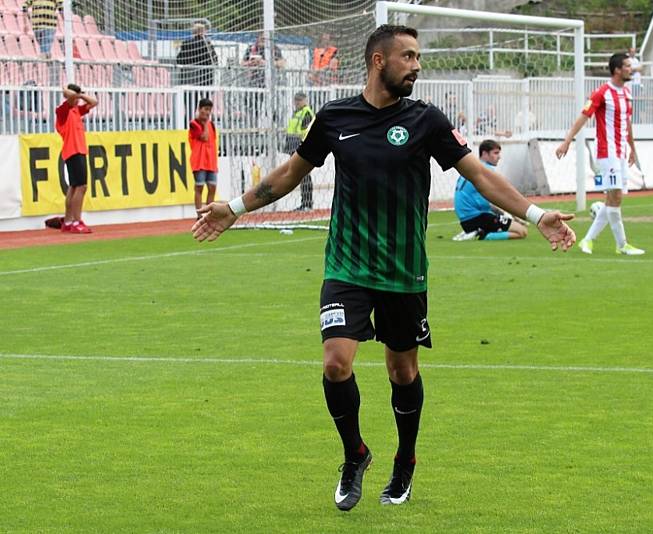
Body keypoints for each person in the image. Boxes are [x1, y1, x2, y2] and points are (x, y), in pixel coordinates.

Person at [192, 24, 575, 512]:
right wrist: (235, 207)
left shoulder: (427, 121)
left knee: (402, 371)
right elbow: (290, 174)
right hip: (347, 265)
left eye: (418, 57)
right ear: (379, 61)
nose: (417, 65)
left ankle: (405, 460)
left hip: (403, 270)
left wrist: (538, 216)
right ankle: (355, 455)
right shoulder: (334, 118)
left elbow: (478, 174)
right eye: (409, 56)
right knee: (335, 362)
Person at [556, 53, 645, 256]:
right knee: (615, 197)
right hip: (607, 153)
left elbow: (627, 124)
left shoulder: (627, 93)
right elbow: (583, 117)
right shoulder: (602, 92)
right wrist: (567, 140)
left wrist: (633, 148)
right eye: (627, 66)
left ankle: (588, 240)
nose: (631, 69)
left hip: (621, 153)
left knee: (613, 200)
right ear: (617, 70)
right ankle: (622, 245)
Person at [454, 139, 528, 241]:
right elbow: (494, 202)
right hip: (478, 217)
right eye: (495, 153)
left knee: (508, 223)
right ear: (484, 153)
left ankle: (476, 230)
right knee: (522, 231)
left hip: (466, 220)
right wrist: (510, 215)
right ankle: (482, 235)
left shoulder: (472, 168)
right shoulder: (486, 171)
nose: (499, 157)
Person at [55, 83, 96, 234]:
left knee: (73, 187)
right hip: (74, 150)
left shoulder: (76, 111)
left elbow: (94, 102)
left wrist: (80, 94)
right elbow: (70, 96)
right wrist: (72, 94)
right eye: (76, 96)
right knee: (81, 186)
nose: (78, 100)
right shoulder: (63, 110)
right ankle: (77, 221)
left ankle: (67, 221)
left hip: (77, 150)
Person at [284, 92, 315, 210]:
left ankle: (308, 203)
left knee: (305, 175)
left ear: (305, 100)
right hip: (293, 145)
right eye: (296, 100)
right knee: (300, 176)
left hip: (301, 146)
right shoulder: (297, 112)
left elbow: (307, 132)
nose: (297, 102)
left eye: (299, 100)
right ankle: (304, 203)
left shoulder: (306, 112)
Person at [188, 98, 218, 217]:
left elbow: (213, 141)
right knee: (199, 187)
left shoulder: (212, 125)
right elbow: (204, 137)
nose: (207, 112)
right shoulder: (194, 124)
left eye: (209, 110)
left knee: (212, 187)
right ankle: (199, 215)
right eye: (205, 109)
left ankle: (209, 214)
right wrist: (205, 123)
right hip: (199, 161)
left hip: (210, 161)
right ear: (199, 109)